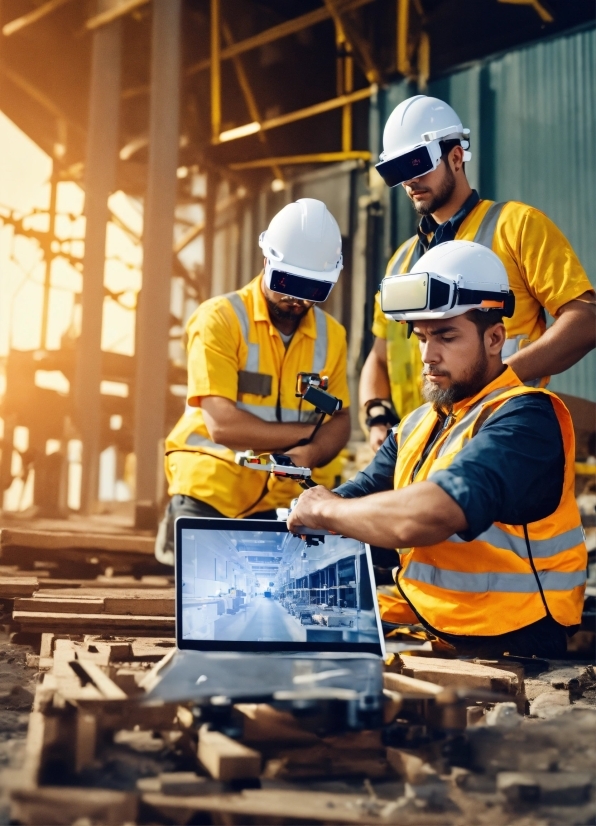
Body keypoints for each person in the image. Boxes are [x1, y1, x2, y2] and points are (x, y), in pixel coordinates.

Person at [288, 240, 587, 659]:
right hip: (431, 624)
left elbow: (432, 513)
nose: (428, 355)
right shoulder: (417, 423)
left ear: (495, 338)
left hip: (514, 643)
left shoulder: (526, 420)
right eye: (422, 337)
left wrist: (324, 510)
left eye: (446, 336)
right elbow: (358, 497)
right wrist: (305, 517)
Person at [361, 94, 596, 452]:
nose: (410, 180)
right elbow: (379, 356)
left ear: (456, 157)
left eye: (417, 164)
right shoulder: (401, 262)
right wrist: (376, 414)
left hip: (499, 439)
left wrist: (495, 382)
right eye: (398, 170)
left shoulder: (516, 227)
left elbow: (586, 320)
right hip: (419, 450)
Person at [155, 198, 351, 564]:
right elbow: (223, 426)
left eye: (312, 290)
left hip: (284, 503)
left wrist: (311, 453)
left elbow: (340, 419)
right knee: (199, 610)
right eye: (288, 282)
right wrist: (305, 435)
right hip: (211, 496)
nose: (296, 298)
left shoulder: (332, 336)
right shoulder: (220, 320)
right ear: (267, 261)